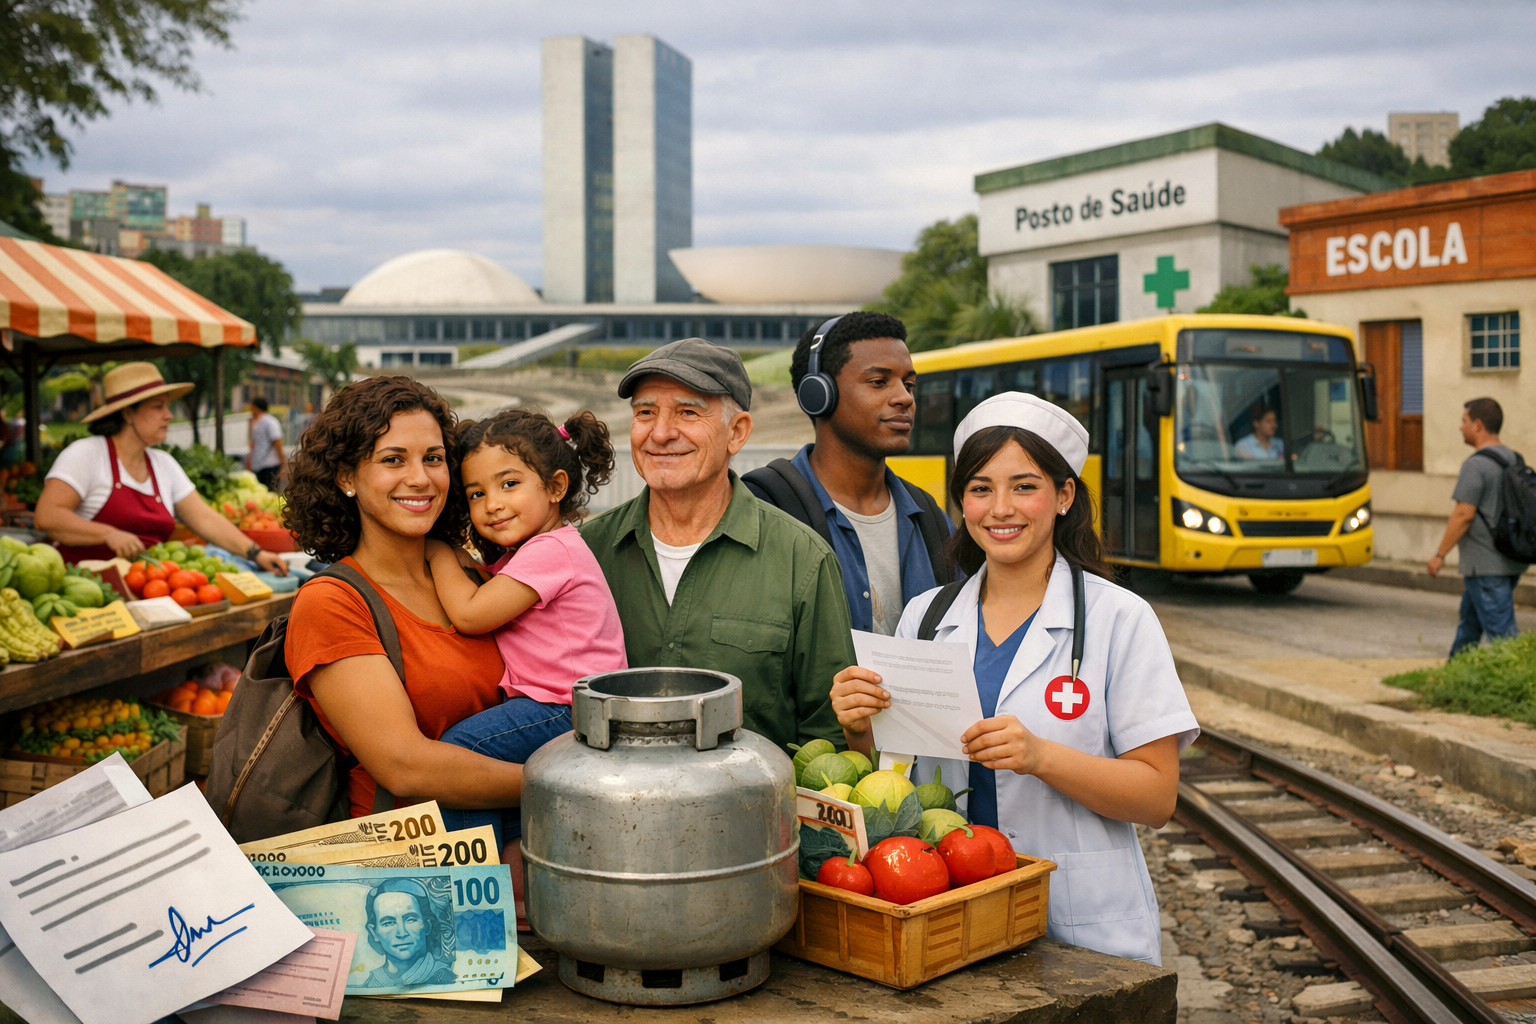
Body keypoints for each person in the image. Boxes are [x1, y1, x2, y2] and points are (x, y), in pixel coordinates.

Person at [829, 392, 1198, 965]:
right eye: (980, 489)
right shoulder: (924, 617)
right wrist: (858, 726)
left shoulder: (1118, 619)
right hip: (947, 908)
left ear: (1064, 496)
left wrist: (1040, 757)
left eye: (1024, 486)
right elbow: (895, 771)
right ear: (962, 503)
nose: (1001, 508)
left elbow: (1156, 797)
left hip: (1080, 926)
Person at [579, 338, 854, 752]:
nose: (661, 433)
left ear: (737, 432)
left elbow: (828, 740)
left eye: (688, 412)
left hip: (749, 814)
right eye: (645, 413)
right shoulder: (586, 552)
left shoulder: (802, 560)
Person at [281, 375, 517, 831]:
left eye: (433, 459)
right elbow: (404, 766)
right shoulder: (332, 603)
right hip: (411, 876)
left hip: (515, 852)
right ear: (346, 477)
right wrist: (563, 782)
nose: (420, 478)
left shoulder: (469, 575)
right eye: (394, 460)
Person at [426, 407, 627, 842]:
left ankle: (474, 889)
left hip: (567, 709)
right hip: (565, 707)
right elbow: (481, 581)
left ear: (555, 486)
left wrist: (437, 551)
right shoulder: (529, 554)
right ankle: (510, 878)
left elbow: (471, 614)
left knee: (461, 753)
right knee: (502, 791)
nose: (492, 504)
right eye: (476, 494)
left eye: (509, 484)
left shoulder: (551, 550)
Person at [744, 312, 951, 635]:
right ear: (819, 395)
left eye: (909, 384)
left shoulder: (929, 517)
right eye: (878, 382)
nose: (905, 398)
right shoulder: (763, 507)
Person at [35, 362, 290, 574]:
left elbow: (204, 518)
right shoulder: (87, 454)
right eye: (158, 407)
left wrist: (256, 553)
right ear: (128, 414)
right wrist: (107, 534)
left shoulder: (162, 464)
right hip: (86, 588)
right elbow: (47, 516)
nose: (168, 415)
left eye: (167, 406)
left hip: (148, 586)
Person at [1428, 397, 1526, 656]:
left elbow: (1463, 514)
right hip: (1509, 559)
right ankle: (1454, 679)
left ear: (1478, 425)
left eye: (1464, 421)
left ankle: (1520, 690)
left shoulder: (1475, 465)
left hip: (1485, 565)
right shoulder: (1515, 459)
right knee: (1469, 627)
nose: (1461, 427)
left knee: (1504, 639)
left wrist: (1439, 555)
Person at [361, 878, 456, 988]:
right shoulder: (370, 983)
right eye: (388, 923)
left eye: (410, 919)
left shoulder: (445, 977)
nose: (402, 933)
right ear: (374, 933)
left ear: (426, 925)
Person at [246, 396, 285, 490]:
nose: (250, 410)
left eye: (251, 407)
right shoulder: (256, 423)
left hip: (270, 464)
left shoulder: (271, 422)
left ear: (256, 407)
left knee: (271, 493)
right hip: (259, 465)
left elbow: (277, 441)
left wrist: (282, 461)